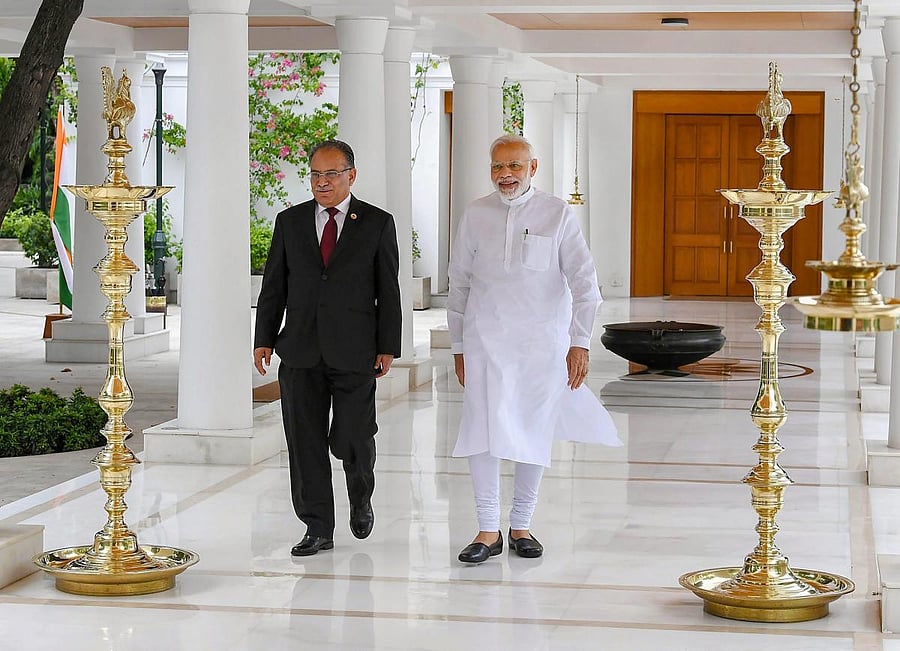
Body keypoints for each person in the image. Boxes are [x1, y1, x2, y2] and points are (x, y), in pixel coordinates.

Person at [448, 134, 620, 564]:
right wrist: (457, 347)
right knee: (481, 433)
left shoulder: (557, 213)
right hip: (484, 342)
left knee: (532, 429)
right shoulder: (475, 213)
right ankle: (487, 530)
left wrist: (579, 343)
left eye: (514, 166)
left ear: (533, 167)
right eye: (497, 167)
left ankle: (521, 524)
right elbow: (459, 285)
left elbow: (585, 284)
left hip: (542, 345)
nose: (505, 175)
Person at [254, 139, 401, 557]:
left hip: (356, 350)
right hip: (300, 349)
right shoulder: (290, 222)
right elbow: (273, 287)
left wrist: (388, 344)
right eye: (316, 174)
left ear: (351, 176)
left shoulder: (376, 222)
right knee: (305, 442)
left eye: (331, 174)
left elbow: (388, 289)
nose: (322, 182)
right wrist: (264, 337)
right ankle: (317, 526)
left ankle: (360, 494)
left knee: (353, 435)